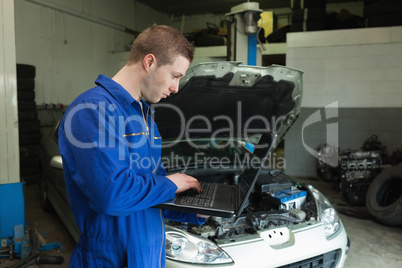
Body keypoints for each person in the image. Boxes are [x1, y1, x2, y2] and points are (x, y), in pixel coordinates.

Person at [58, 24, 205, 268]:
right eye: (175, 76)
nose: (175, 88)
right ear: (149, 62)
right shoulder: (93, 111)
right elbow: (112, 196)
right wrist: (172, 182)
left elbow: (151, 193)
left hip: (148, 254)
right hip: (110, 259)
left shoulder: (143, 115)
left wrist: (196, 212)